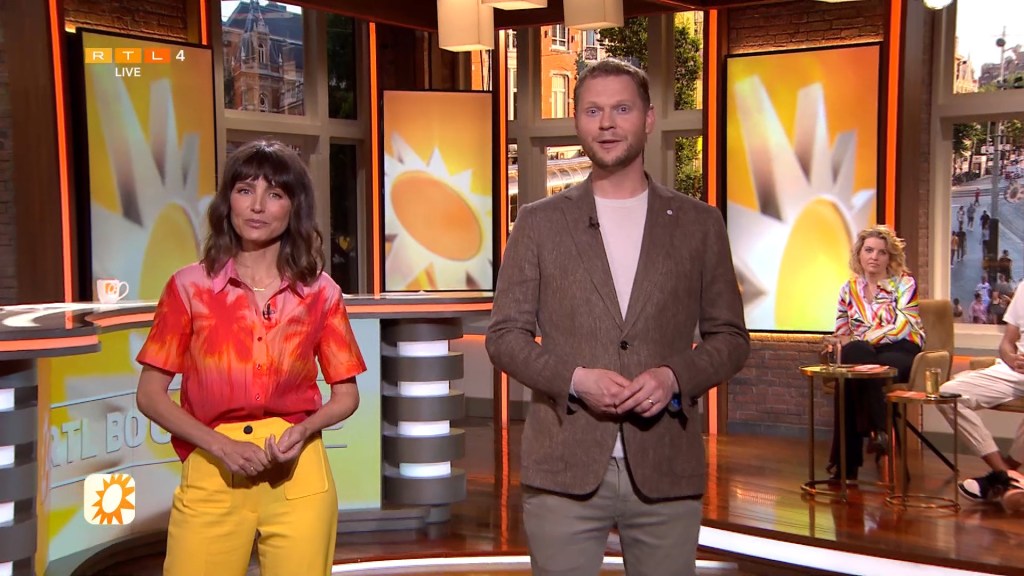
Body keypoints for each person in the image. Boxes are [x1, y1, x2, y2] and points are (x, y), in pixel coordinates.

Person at [485, 58, 749, 576]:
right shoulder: (538, 222)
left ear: (648, 119)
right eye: (593, 111)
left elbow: (731, 338)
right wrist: (575, 379)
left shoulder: (699, 223)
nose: (606, 123)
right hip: (563, 466)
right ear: (578, 121)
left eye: (622, 109)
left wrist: (674, 377)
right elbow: (505, 337)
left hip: (666, 466)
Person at [135, 140, 366, 576]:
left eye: (274, 194)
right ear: (228, 202)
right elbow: (150, 395)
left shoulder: (321, 293)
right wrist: (220, 445)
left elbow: (346, 395)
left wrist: (304, 430)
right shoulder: (188, 288)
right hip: (212, 467)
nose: (257, 206)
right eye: (245, 190)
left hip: (298, 472)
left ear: (294, 208)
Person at [825, 226, 925, 480]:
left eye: (882, 252)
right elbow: (842, 329)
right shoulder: (848, 289)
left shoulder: (904, 283)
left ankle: (845, 466)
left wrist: (861, 339)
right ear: (859, 254)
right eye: (869, 250)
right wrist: (839, 342)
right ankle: (879, 429)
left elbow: (902, 327)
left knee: (851, 376)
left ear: (890, 257)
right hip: (864, 352)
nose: (874, 257)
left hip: (900, 348)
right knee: (854, 361)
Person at [938, 281, 1024, 505]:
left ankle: (999, 481)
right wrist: (1012, 359)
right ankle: (1005, 475)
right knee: (948, 394)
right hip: (1015, 372)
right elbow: (1006, 344)